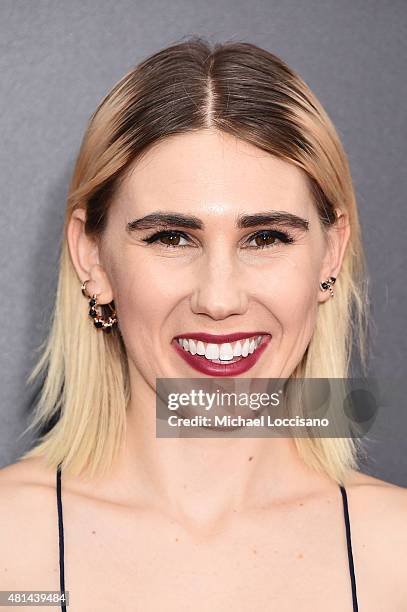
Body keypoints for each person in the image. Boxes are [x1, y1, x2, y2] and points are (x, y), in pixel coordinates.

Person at [1, 36, 406, 611]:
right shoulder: (9, 553)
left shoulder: (397, 557)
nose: (219, 299)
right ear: (92, 257)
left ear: (330, 253)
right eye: (172, 238)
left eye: (266, 238)